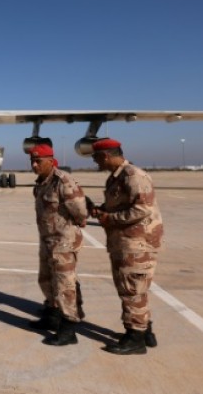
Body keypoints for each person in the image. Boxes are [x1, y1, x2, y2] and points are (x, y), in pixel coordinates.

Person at [89, 138, 163, 355]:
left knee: (132, 291)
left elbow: (142, 210)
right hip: (127, 242)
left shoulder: (133, 176)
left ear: (105, 156)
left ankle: (135, 339)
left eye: (96, 158)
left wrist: (109, 218)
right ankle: (145, 331)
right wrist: (102, 210)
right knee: (135, 290)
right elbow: (122, 205)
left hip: (136, 244)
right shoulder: (117, 177)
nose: (95, 162)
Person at [27, 144, 89, 346]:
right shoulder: (41, 183)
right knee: (46, 280)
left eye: (38, 161)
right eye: (32, 161)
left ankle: (69, 328)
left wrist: (71, 227)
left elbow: (80, 210)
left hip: (64, 241)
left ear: (50, 160)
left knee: (64, 284)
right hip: (47, 241)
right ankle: (52, 315)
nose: (34, 165)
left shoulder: (63, 181)